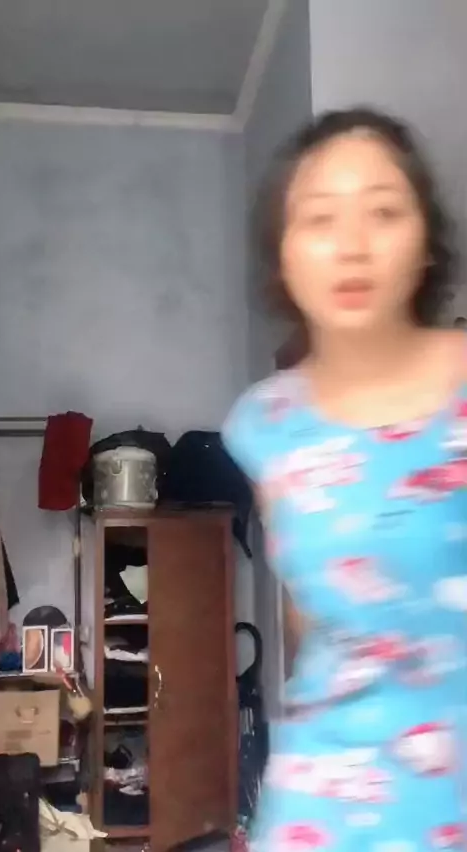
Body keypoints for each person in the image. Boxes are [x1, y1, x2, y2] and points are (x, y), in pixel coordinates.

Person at [222, 108, 466, 851]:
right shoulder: (265, 425)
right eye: (320, 218)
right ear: (284, 254)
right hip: (325, 808)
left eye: (384, 212)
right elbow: (309, 624)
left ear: (425, 243)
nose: (352, 246)